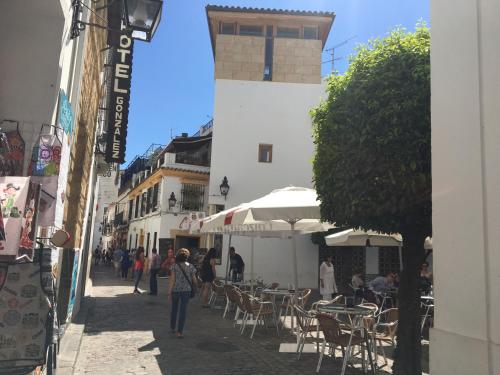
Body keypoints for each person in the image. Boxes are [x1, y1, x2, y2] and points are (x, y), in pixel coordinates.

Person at [167, 248, 197, 338]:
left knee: (174, 309)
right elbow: (194, 280)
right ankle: (180, 332)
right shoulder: (190, 266)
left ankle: (172, 327)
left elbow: (172, 280)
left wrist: (169, 292)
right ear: (187, 257)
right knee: (183, 311)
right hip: (186, 291)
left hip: (176, 290)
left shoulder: (174, 266)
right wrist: (195, 287)